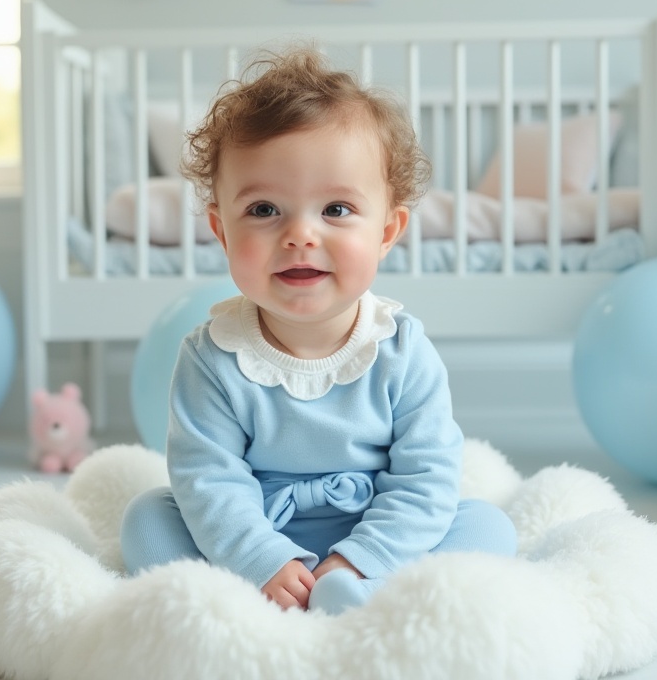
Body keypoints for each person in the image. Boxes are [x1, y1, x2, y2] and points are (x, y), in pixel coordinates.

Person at [120, 47, 516, 615]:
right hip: (256, 532)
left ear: (387, 230)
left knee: (486, 525)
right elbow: (209, 480)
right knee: (149, 518)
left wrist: (361, 557)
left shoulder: (400, 349)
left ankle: (358, 591)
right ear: (222, 231)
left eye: (334, 209)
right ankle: (277, 593)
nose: (301, 235)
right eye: (263, 210)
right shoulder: (212, 357)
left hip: (379, 532)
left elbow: (425, 479)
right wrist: (263, 558)